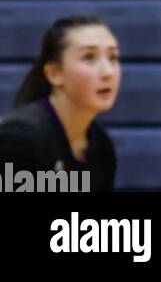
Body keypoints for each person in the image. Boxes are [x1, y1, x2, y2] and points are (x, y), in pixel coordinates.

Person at [0, 16, 119, 191]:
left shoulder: (101, 148)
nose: (108, 72)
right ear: (54, 73)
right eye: (89, 57)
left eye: (113, 57)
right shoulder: (19, 140)